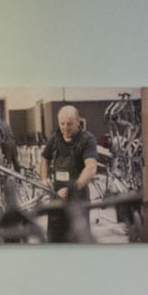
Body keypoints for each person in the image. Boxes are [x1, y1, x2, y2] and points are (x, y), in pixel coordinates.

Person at [41, 104, 100, 243]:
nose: (65, 128)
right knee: (55, 239)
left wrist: (73, 188)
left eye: (69, 124)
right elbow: (44, 159)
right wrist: (44, 179)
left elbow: (91, 168)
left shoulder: (87, 139)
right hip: (56, 197)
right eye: (62, 124)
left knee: (78, 239)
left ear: (78, 122)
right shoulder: (55, 138)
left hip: (78, 199)